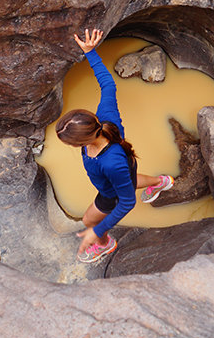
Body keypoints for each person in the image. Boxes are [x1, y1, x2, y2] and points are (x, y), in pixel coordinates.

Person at [56, 29, 175, 263]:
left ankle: (105, 245)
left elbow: (127, 201)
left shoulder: (109, 163)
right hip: (125, 167)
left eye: (68, 142)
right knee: (129, 180)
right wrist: (90, 53)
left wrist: (97, 231)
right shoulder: (105, 118)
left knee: (90, 219)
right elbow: (108, 85)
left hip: (110, 190)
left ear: (84, 141)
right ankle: (162, 182)